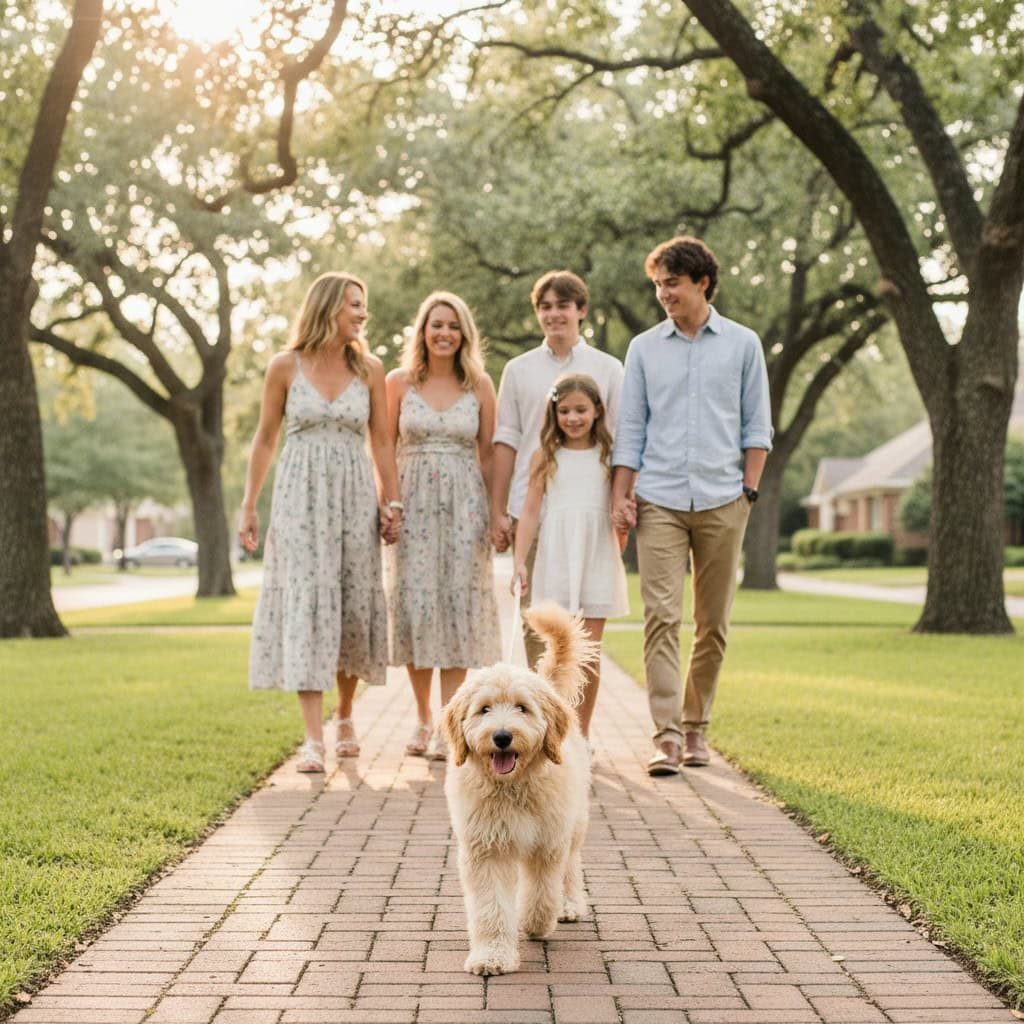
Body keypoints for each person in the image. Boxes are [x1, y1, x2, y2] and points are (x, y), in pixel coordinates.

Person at [610, 236, 772, 776]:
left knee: (713, 622)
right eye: (657, 284)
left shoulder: (744, 344)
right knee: (660, 616)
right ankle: (668, 736)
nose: (662, 293)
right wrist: (622, 496)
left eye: (671, 283)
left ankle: (698, 725)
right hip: (659, 499)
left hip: (725, 499)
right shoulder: (644, 348)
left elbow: (758, 425)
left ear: (702, 282)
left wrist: (748, 489)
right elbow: (630, 428)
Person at [240, 271, 402, 773]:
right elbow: (266, 438)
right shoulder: (284, 367)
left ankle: (346, 716)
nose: (362, 313)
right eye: (355, 304)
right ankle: (313, 738)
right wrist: (248, 504)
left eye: (364, 304)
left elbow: (380, 441)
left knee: (352, 603)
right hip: (299, 500)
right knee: (308, 606)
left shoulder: (370, 369)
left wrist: (391, 501)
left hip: (354, 497)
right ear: (329, 306)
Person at [384, 291, 501, 760]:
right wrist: (388, 503)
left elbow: (490, 453)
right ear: (422, 331)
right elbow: (382, 445)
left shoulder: (479, 384)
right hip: (412, 506)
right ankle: (421, 718)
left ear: (464, 333)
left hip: (464, 507)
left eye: (453, 325)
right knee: (416, 606)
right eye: (436, 324)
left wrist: (497, 514)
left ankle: (449, 723)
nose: (444, 333)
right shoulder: (398, 382)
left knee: (456, 610)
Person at [491, 270, 624, 667]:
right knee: (539, 629)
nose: (554, 315)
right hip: (530, 508)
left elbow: (620, 443)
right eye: (545, 307)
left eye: (563, 306)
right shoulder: (518, 369)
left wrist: (622, 507)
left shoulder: (609, 368)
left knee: (584, 642)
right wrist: (498, 509)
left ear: (580, 310)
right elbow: (506, 438)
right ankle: (540, 723)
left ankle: (578, 728)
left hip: (589, 510)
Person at [512, 373, 628, 739]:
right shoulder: (545, 456)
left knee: (589, 654)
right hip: (557, 557)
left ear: (597, 411)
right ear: (554, 412)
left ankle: (582, 735)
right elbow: (530, 512)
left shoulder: (610, 456)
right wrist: (518, 561)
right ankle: (550, 733)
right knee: (555, 653)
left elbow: (618, 506)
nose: (573, 418)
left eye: (581, 409)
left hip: (596, 555)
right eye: (564, 411)